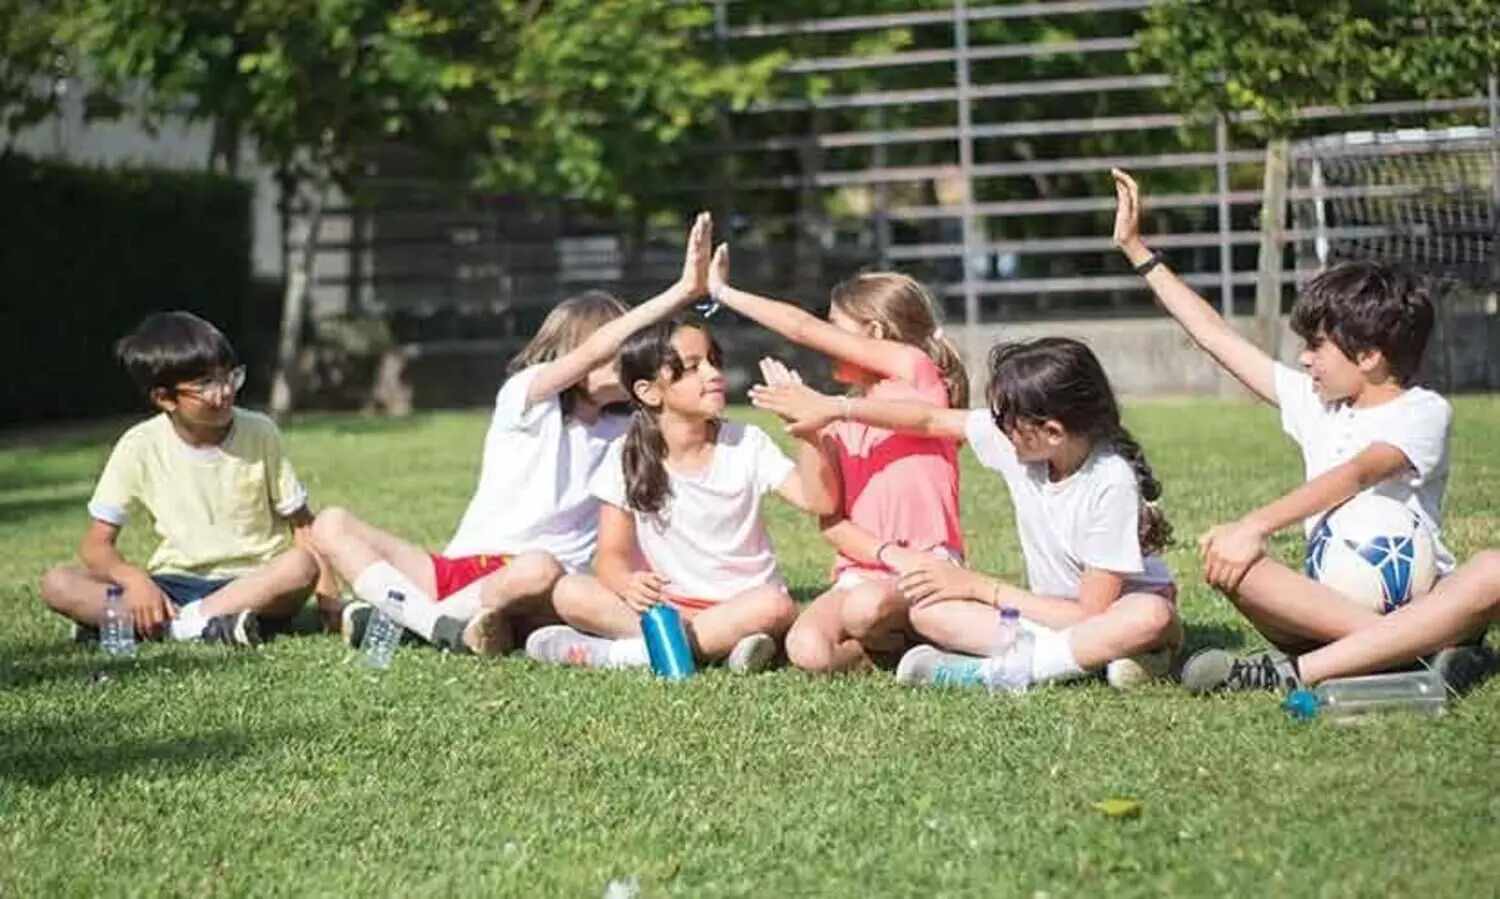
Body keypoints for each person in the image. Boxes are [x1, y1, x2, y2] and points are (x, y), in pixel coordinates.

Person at [1107, 168, 1489, 691]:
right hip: (1325, 607)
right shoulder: (1316, 402)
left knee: (1493, 570)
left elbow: (1358, 473)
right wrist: (1136, 251)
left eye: (1317, 347)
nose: (1304, 359)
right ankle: (1414, 649)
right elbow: (1216, 337)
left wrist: (1256, 525)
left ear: (1369, 356)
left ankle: (1301, 671)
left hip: (1419, 597)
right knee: (1228, 558)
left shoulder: (1424, 411)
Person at [311, 213, 717, 655]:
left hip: (539, 583)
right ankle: (441, 625)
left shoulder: (629, 431)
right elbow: (592, 352)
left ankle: (413, 621)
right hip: (457, 571)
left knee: (538, 567)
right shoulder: (527, 399)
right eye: (615, 350)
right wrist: (679, 292)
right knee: (332, 523)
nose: (625, 361)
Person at [752, 336, 1182, 689]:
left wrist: (977, 587)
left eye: (1007, 419)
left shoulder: (1110, 481)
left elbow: (1089, 615)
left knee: (1150, 615)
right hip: (1047, 617)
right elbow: (928, 421)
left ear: (1052, 432)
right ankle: (1099, 660)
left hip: (1106, 615)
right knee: (929, 613)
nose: (997, 426)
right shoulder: (1021, 445)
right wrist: (837, 408)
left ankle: (997, 672)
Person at [706, 243, 968, 672]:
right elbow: (831, 518)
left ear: (875, 333)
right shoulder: (836, 419)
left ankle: (928, 628)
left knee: (865, 609)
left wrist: (722, 292)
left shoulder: (914, 369)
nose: (825, 339)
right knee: (807, 649)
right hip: (866, 569)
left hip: (927, 564)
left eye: (836, 328)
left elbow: (800, 327)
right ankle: (894, 649)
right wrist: (807, 427)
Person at [525, 318, 838, 672]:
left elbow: (819, 502)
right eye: (692, 367)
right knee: (570, 591)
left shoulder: (746, 443)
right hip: (667, 608)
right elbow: (611, 556)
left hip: (742, 604)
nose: (713, 373)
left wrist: (804, 430)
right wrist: (626, 583)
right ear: (649, 392)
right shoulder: (624, 455)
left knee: (774, 606)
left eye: (713, 361)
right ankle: (709, 647)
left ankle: (624, 654)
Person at [40, 311, 332, 646]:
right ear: (165, 398)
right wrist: (135, 580)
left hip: (254, 583)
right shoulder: (139, 445)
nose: (224, 392)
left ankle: (163, 627)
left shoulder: (260, 431)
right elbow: (96, 544)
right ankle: (207, 624)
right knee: (58, 583)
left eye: (230, 377)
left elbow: (302, 525)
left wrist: (330, 601)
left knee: (300, 565)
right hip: (173, 583)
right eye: (206, 384)